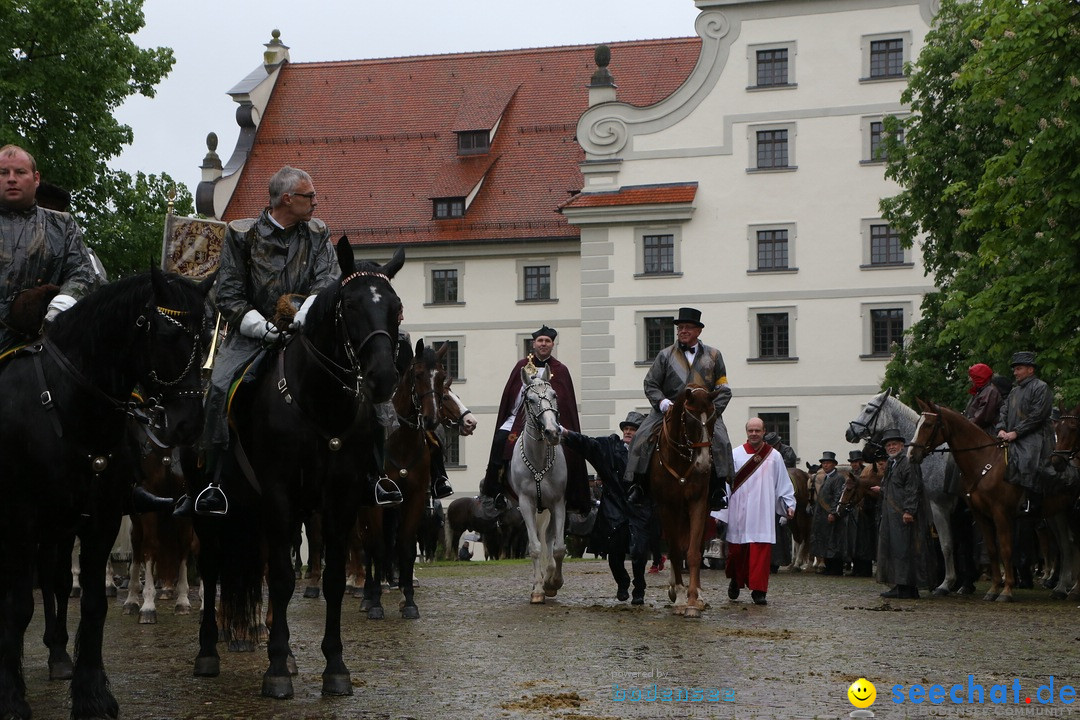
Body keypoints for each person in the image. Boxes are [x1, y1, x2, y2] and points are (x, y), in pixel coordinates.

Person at [181, 166, 398, 515]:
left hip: (308, 329)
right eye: (308, 196)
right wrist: (261, 326)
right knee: (220, 386)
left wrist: (304, 315)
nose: (315, 202)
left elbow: (328, 280)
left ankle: (376, 474)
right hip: (251, 334)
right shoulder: (242, 235)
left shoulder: (317, 232)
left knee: (370, 391)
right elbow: (230, 295)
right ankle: (215, 481)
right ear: (286, 199)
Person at [625, 307, 733, 511]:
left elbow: (723, 389)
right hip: (669, 410)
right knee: (640, 438)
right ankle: (637, 484)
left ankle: (719, 489)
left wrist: (712, 412)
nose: (683, 331)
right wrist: (662, 402)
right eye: (680, 327)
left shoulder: (714, 355)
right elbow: (650, 384)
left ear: (698, 331)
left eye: (688, 327)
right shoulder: (665, 355)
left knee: (722, 441)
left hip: (702, 412)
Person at [478, 325, 589, 513]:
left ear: (553, 344)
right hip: (519, 419)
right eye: (540, 341)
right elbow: (511, 397)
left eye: (547, 341)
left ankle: (571, 497)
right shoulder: (521, 367)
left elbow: (564, 400)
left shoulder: (560, 370)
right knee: (500, 441)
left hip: (549, 419)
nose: (543, 344)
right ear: (534, 344)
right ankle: (493, 491)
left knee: (570, 450)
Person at [0, 145, 98, 355]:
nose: (11, 179)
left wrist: (60, 305)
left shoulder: (61, 225)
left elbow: (82, 271)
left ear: (36, 179)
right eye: (3, 172)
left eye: (19, 172)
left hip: (45, 344)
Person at [561, 411, 652, 604]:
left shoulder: (650, 452)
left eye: (633, 429)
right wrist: (566, 433)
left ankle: (640, 587)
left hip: (639, 508)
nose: (628, 432)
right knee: (614, 552)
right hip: (614, 509)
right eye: (626, 428)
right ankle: (622, 582)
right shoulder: (610, 447)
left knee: (639, 552)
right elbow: (588, 444)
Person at [723, 417, 796, 606]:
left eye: (757, 430)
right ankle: (735, 580)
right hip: (739, 510)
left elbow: (783, 483)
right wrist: (721, 510)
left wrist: (789, 504)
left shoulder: (774, 456)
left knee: (760, 552)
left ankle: (759, 590)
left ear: (764, 432)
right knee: (737, 552)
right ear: (746, 432)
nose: (754, 433)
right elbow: (726, 484)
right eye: (751, 430)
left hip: (762, 511)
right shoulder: (735, 454)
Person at [875, 428, 935, 599]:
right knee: (894, 550)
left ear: (902, 445)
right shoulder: (892, 463)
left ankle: (908, 587)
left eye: (894, 444)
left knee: (906, 551)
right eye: (888, 445)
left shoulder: (908, 462)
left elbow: (913, 488)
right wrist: (881, 490)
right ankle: (899, 584)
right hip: (891, 515)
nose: (891, 447)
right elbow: (894, 486)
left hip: (904, 515)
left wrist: (909, 510)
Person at [995, 351, 1054, 516]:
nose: (1015, 372)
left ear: (1030, 370)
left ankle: (1031, 502)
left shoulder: (1041, 387)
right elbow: (1004, 411)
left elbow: (1038, 416)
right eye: (1014, 369)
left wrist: (1016, 432)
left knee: (1026, 460)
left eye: (1018, 368)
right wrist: (1001, 428)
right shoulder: (1014, 391)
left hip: (1036, 437)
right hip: (1012, 436)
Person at [809, 451, 848, 576]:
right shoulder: (828, 477)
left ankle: (835, 569)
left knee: (833, 542)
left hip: (831, 515)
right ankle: (829, 566)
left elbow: (838, 496)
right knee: (826, 541)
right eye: (824, 463)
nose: (825, 465)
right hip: (822, 515)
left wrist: (833, 512)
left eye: (828, 463)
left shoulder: (838, 478)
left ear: (834, 464)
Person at [964, 362, 1003, 434]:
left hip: (987, 435)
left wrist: (962, 425)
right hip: (980, 433)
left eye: (972, 377)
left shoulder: (990, 391)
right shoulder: (980, 392)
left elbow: (982, 418)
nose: (970, 380)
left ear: (980, 377)